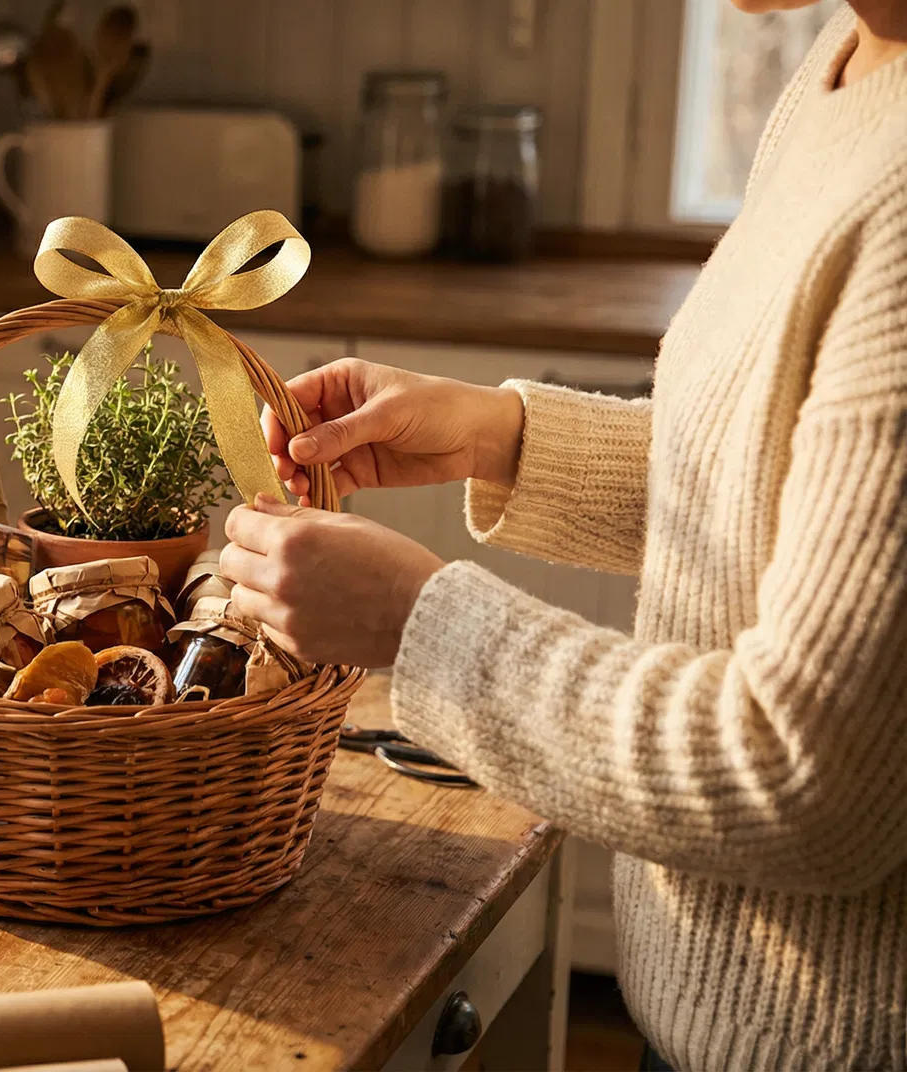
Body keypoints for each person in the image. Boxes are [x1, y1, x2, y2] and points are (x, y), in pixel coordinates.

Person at [218, 3, 907, 1068]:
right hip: (706, 1021)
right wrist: (503, 436)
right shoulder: (850, 60)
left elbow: (809, 779)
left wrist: (416, 622)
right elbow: (779, 483)